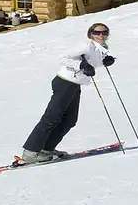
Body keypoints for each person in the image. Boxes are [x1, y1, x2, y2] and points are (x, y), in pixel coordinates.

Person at [18, 23, 115, 164]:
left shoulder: (102, 47)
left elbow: (93, 61)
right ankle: (30, 153)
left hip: (75, 85)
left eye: (104, 32)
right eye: (97, 33)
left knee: (70, 120)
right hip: (64, 82)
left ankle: (46, 149)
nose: (101, 35)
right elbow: (62, 58)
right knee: (51, 118)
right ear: (90, 34)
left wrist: (105, 61)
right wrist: (81, 65)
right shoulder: (85, 46)